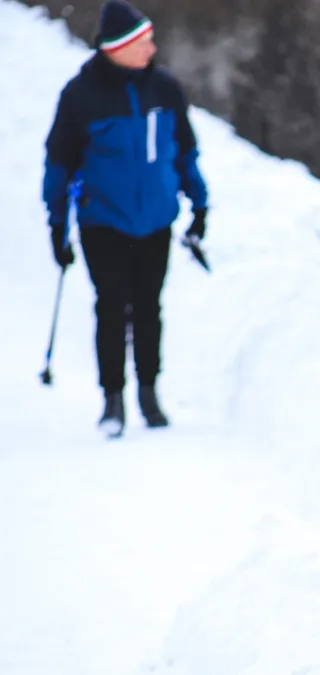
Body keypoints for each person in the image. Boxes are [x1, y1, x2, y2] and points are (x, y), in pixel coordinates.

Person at [42, 0, 209, 437]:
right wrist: (57, 224)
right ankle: (112, 400)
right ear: (119, 47)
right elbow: (58, 164)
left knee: (149, 308)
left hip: (155, 219)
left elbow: (186, 152)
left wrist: (199, 204)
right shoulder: (81, 96)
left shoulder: (165, 90)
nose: (152, 50)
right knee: (112, 307)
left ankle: (149, 394)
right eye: (144, 42)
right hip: (103, 222)